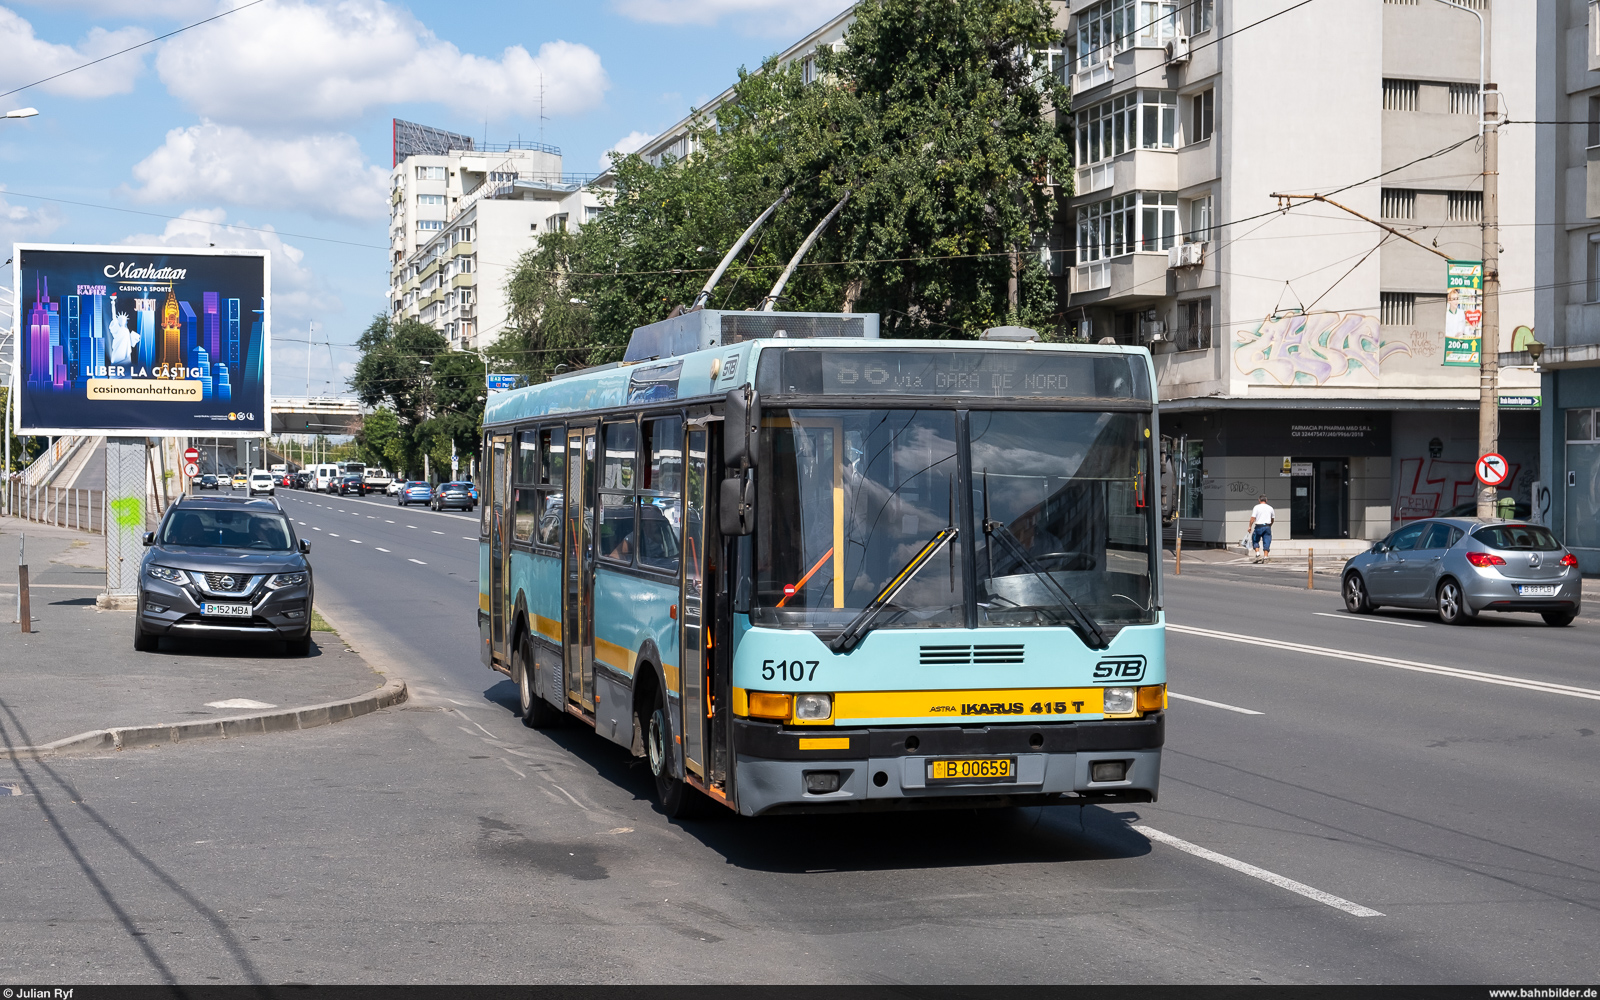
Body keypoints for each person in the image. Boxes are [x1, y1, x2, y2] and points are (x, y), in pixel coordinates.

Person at [1248, 494, 1275, 563]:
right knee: (1267, 541)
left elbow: (1252, 518)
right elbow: (1272, 519)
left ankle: (1257, 554)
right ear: (1266, 500)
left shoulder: (1256, 507)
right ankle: (1265, 557)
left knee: (1255, 540)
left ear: (1259, 500)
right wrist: (1270, 525)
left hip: (1259, 526)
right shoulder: (1270, 508)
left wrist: (1250, 526)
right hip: (1267, 526)